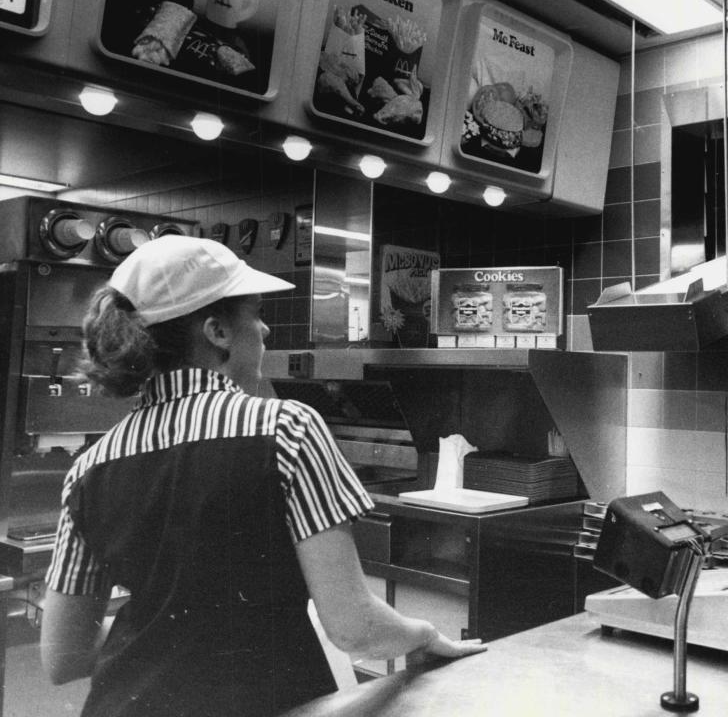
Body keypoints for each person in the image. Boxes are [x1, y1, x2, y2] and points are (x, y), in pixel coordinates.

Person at [41, 235, 485, 717]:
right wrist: (424, 633)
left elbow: (63, 656)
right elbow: (353, 627)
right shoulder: (286, 429)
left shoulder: (89, 469)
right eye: (254, 313)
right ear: (217, 331)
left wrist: (162, 643)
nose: (266, 329)